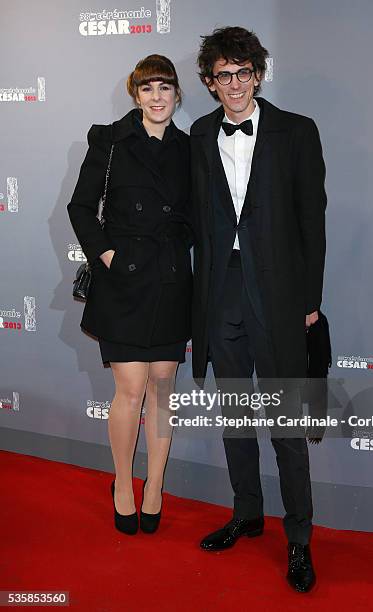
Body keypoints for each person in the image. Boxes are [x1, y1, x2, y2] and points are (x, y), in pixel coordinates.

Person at [190, 27, 327, 592]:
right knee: (236, 417)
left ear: (259, 74)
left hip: (278, 298)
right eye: (224, 75)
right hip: (221, 294)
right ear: (209, 83)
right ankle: (247, 513)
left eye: (244, 72)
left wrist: (310, 302)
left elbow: (311, 222)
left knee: (287, 426)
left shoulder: (297, 131)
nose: (235, 84)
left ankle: (299, 539)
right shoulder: (199, 134)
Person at [68, 55, 192, 536]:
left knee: (162, 390)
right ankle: (123, 483)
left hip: (171, 280)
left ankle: (155, 483)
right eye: (148, 88)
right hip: (124, 284)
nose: (157, 96)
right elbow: (81, 207)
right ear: (135, 95)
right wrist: (107, 256)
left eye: (165, 87)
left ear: (177, 95)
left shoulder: (190, 147)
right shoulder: (110, 140)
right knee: (130, 390)